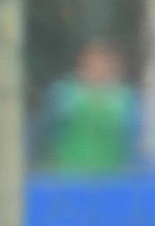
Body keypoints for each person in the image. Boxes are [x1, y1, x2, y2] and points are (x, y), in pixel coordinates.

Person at [36, 39, 138, 177]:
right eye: (90, 60)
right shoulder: (64, 92)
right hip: (66, 175)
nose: (96, 65)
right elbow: (45, 130)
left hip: (112, 176)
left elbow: (132, 138)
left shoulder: (124, 98)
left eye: (101, 61)